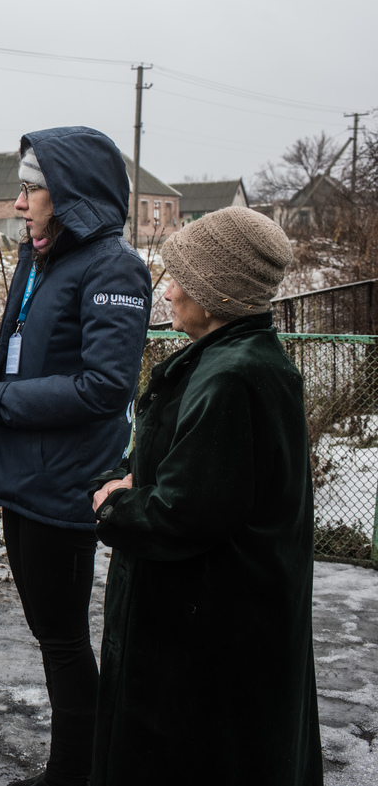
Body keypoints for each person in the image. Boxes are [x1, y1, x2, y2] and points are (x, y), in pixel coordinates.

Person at [88, 207, 323, 786]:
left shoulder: (230, 378)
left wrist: (113, 505)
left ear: (215, 291)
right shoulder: (240, 362)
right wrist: (136, 473)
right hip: (231, 615)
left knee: (196, 757)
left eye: (178, 278)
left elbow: (185, 513)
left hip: (206, 625)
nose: (167, 291)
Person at [0, 127, 152, 786]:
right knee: (51, 633)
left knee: (64, 640)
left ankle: (74, 773)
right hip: (22, 473)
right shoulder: (40, 259)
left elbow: (104, 386)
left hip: (65, 480)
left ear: (71, 194)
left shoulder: (113, 267)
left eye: (31, 187)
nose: (19, 201)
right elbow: (28, 359)